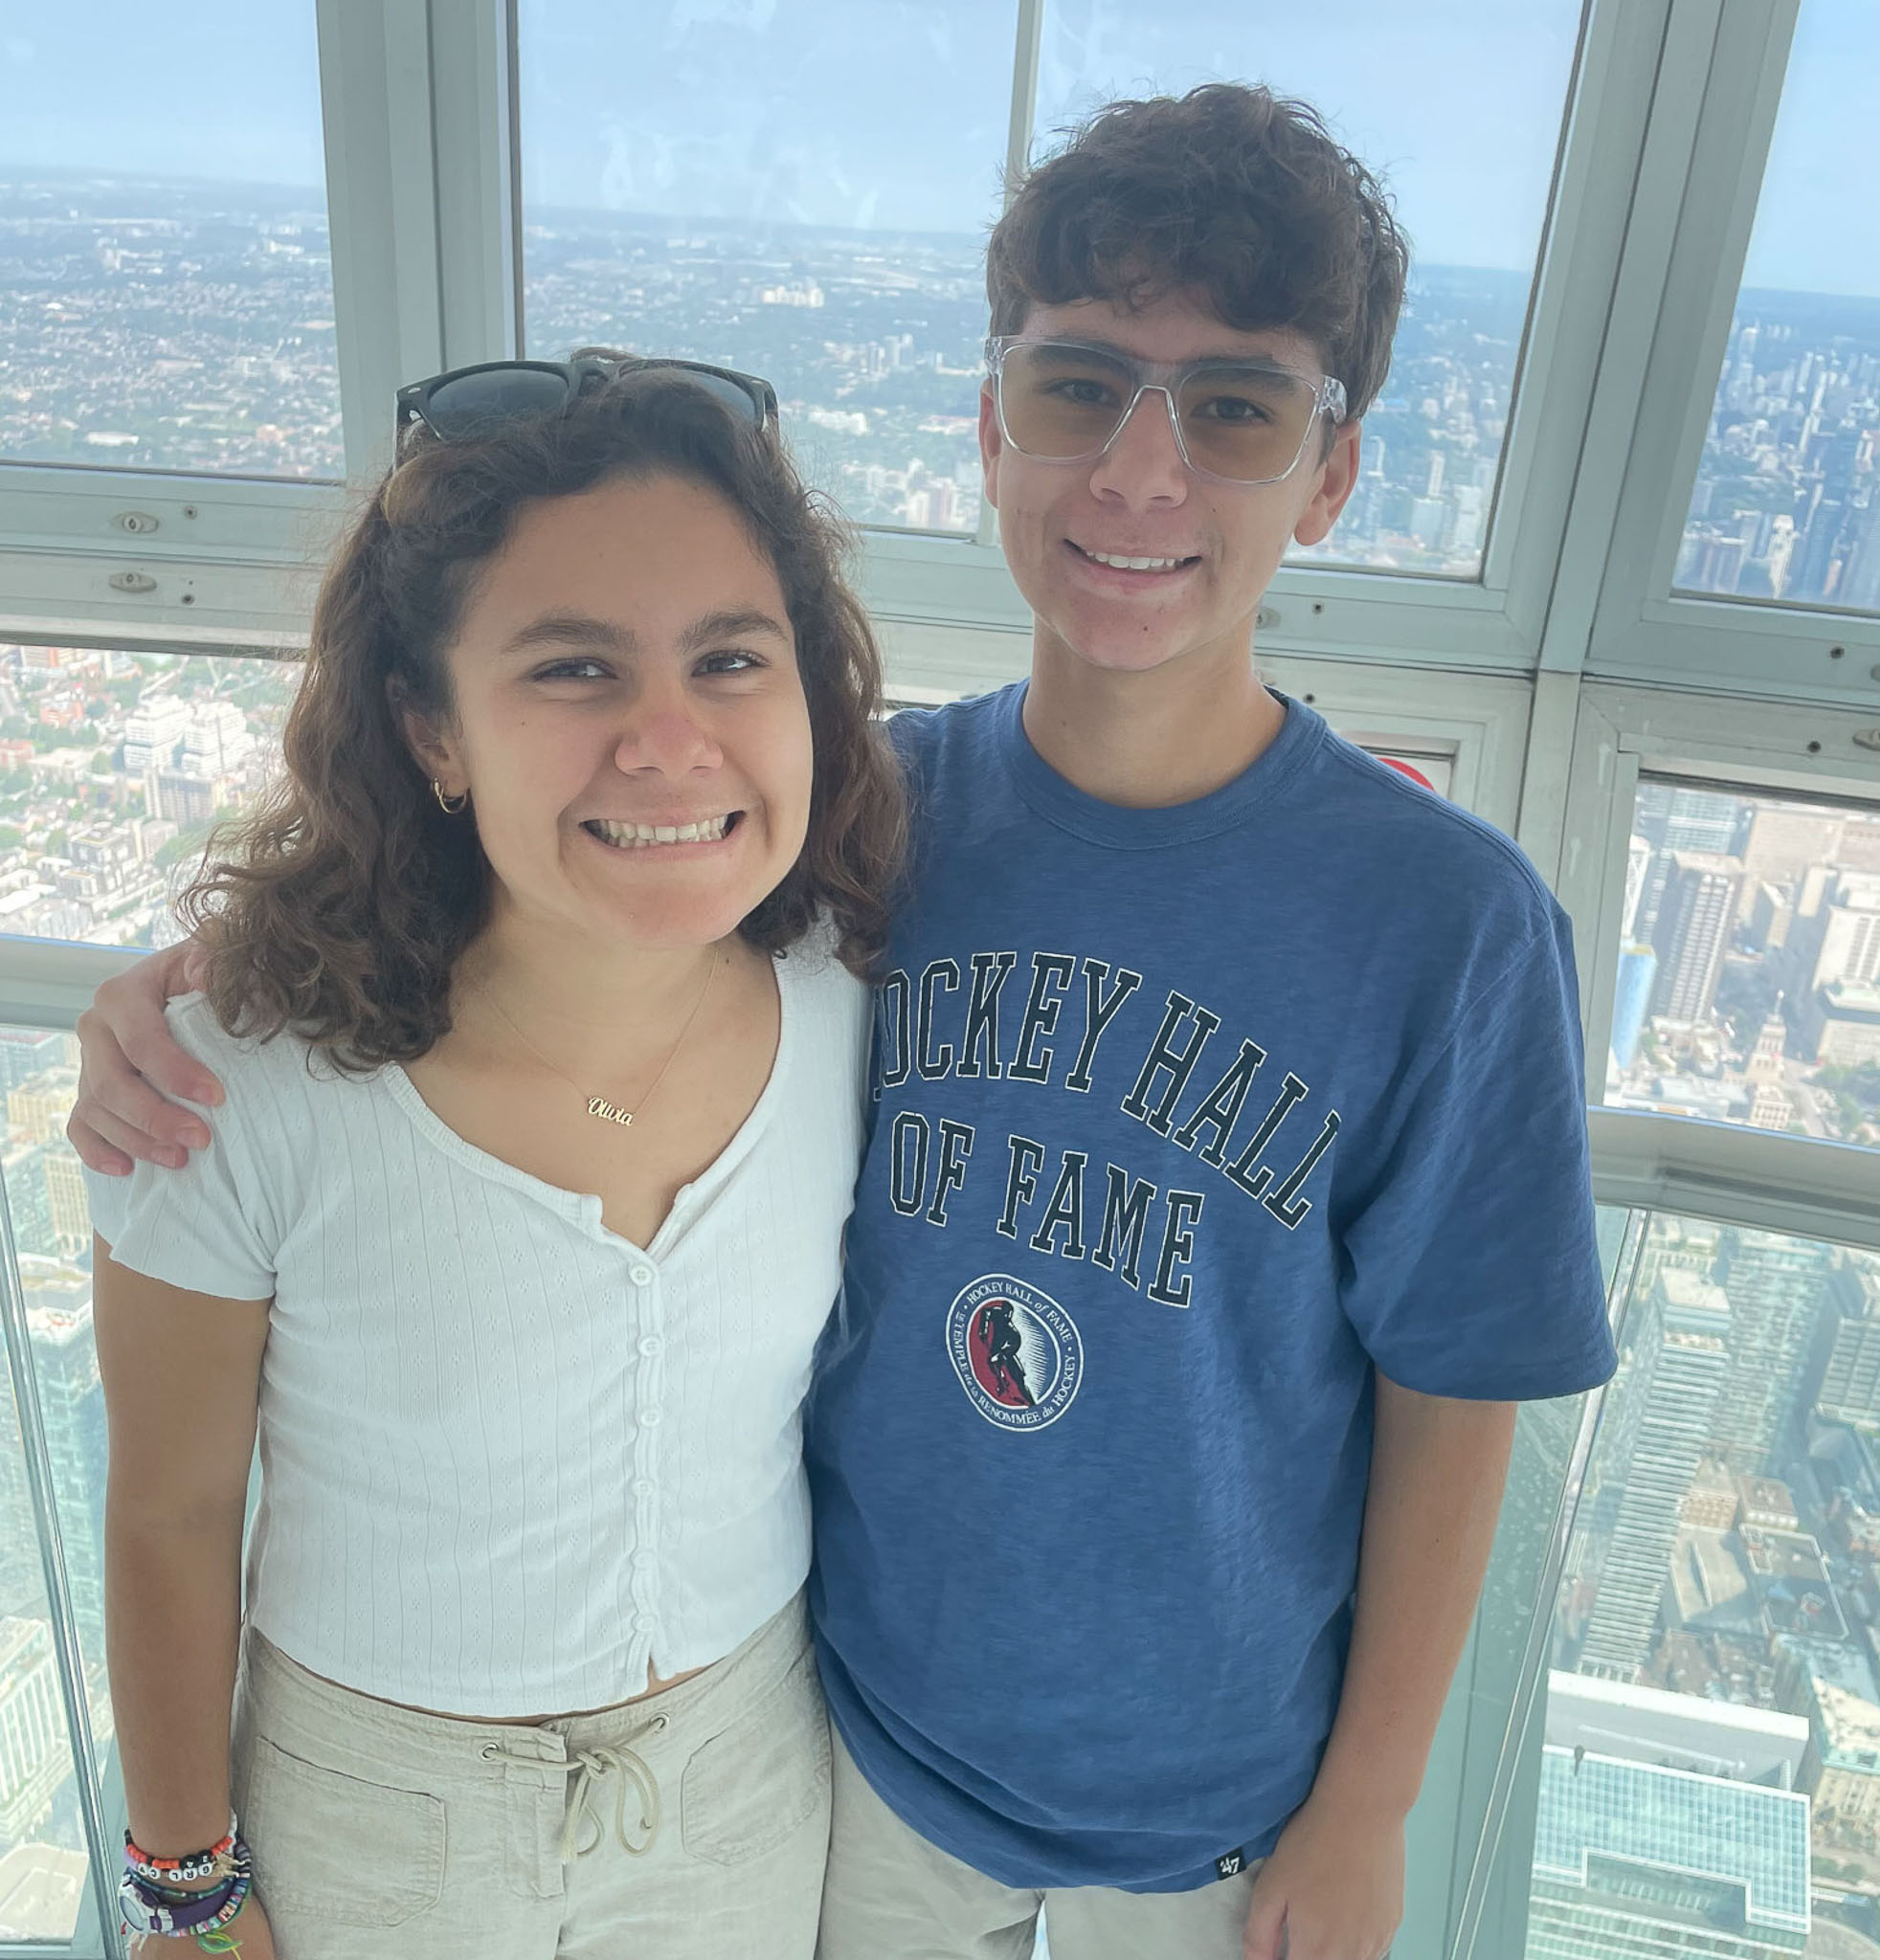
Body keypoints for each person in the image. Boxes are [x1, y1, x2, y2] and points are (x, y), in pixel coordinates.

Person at [73, 85, 1618, 1960]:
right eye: (1076, 388)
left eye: (1232, 407)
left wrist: (1370, 1804)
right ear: (989, 429)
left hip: (1213, 1821)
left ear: (1331, 473)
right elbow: (526, 897)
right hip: (854, 1766)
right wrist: (172, 996)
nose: (1141, 470)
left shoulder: (1446, 927)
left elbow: (1460, 1392)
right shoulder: (847, 830)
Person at [79, 354, 903, 1958]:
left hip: (747, 1786)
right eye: (573, 669)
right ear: (429, 732)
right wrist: (188, 1889)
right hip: (371, 1828)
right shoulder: (240, 1084)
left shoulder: (859, 1009)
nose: (671, 743)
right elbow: (170, 1515)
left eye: (731, 657)